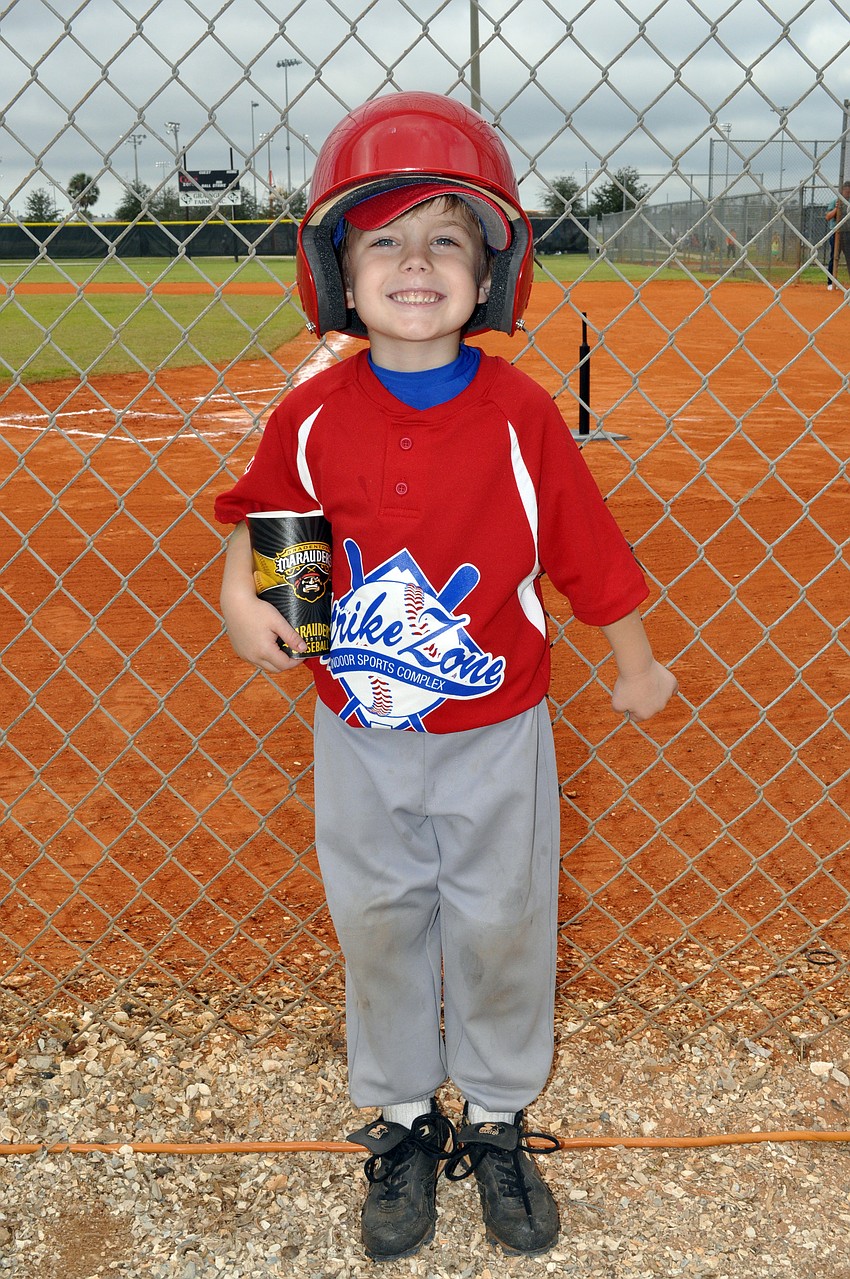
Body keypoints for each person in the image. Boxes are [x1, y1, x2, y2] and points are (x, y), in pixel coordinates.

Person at [215, 91, 678, 1263]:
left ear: (489, 275)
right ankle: (408, 1117)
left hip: (495, 730)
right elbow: (264, 526)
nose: (414, 263)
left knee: (500, 921)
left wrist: (635, 661)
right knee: (375, 919)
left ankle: (505, 1114)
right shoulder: (311, 415)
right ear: (338, 267)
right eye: (384, 238)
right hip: (356, 730)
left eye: (446, 240)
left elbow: (586, 552)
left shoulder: (523, 416)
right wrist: (239, 594)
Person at [825, 180, 850, 288]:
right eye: (846, 191)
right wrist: (837, 208)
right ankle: (831, 283)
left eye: (849, 192)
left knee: (849, 258)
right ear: (842, 191)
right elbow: (828, 217)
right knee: (834, 257)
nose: (847, 194)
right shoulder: (835, 201)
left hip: (848, 233)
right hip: (836, 233)